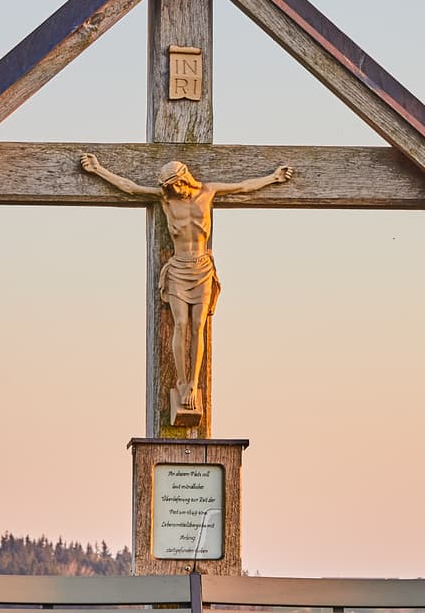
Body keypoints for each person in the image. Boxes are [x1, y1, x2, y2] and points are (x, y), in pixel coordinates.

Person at [78, 154, 292, 418]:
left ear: (184, 177)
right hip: (179, 268)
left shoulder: (208, 191)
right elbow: (130, 187)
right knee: (181, 325)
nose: (174, 190)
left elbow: (244, 186)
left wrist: (273, 178)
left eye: (176, 184)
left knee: (199, 326)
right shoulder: (166, 199)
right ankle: (182, 381)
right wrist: (99, 170)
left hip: (202, 268)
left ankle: (193, 383)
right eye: (169, 186)